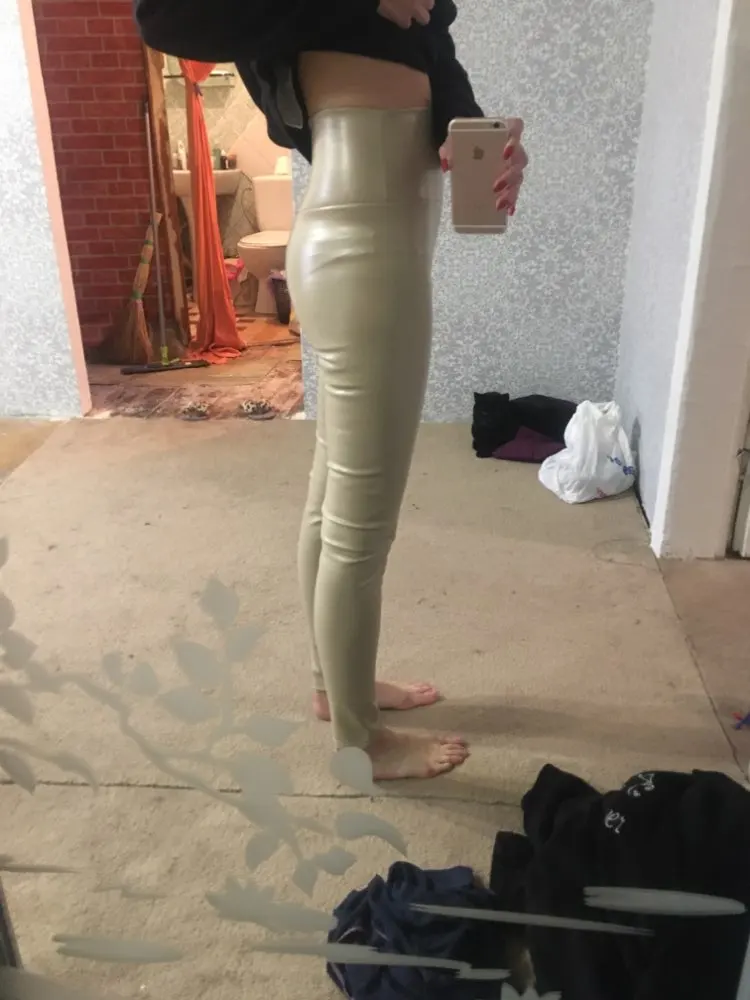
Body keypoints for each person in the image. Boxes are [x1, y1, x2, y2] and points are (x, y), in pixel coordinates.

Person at [135, 0, 528, 782]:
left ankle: (336, 689)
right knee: (362, 521)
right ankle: (363, 742)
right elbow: (165, 16)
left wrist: (478, 137)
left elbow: (433, 55)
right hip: (364, 246)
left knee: (335, 491)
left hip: (382, 237)